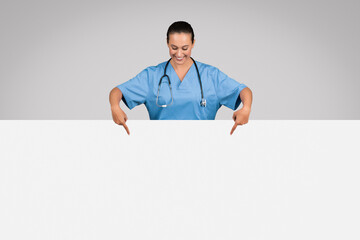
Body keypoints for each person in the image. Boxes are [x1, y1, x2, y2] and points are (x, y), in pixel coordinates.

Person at [109, 21, 253, 135]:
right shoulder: (152, 75)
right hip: (160, 148)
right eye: (174, 47)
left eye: (185, 48)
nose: (179, 54)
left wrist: (246, 109)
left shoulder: (210, 75)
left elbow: (243, 90)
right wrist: (115, 107)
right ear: (167, 43)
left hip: (203, 148)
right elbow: (117, 91)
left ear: (193, 44)